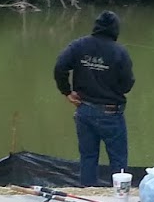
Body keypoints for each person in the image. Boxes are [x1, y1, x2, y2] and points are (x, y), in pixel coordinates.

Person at [53, 10, 134, 186]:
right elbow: (127, 84)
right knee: (118, 159)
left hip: (84, 109)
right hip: (111, 113)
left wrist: (66, 91)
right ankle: (119, 196)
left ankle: (88, 191)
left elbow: (60, 67)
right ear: (115, 29)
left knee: (88, 157)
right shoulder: (120, 52)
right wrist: (113, 89)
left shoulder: (78, 45)